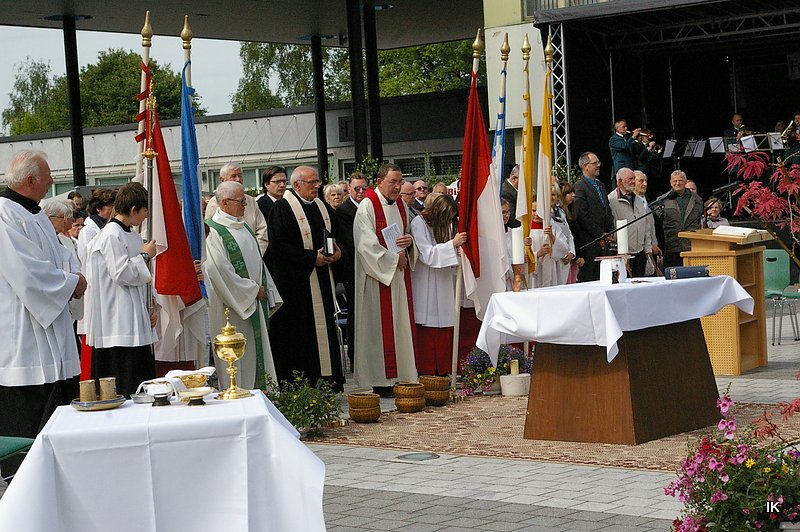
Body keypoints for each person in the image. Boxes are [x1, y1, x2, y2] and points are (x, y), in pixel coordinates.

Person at [0, 151, 86, 478]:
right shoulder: (5, 215)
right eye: (48, 176)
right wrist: (71, 283)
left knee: (53, 410)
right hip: (22, 336)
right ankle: (21, 482)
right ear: (31, 180)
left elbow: (58, 263)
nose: (52, 181)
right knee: (26, 419)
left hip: (50, 330)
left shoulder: (35, 215)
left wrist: (71, 279)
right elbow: (28, 274)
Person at [267, 166, 345, 392]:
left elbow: (336, 236)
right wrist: (311, 258)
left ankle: (328, 379)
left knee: (325, 329)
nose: (317, 186)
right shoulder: (282, 208)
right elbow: (278, 247)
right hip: (297, 287)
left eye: (317, 182)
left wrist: (338, 253)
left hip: (323, 280)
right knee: (301, 336)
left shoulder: (322, 206)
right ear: (298, 185)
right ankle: (302, 383)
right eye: (311, 182)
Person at [84, 183, 157, 397]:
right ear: (134, 209)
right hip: (116, 321)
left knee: (141, 379)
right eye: (144, 212)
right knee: (124, 382)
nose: (145, 218)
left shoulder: (132, 236)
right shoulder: (110, 235)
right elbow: (122, 274)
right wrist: (145, 256)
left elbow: (141, 277)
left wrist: (150, 306)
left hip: (134, 315)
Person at [205, 181, 278, 390]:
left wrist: (267, 290)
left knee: (256, 355)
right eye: (241, 201)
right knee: (238, 361)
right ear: (225, 203)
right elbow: (219, 270)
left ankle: (260, 394)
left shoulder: (244, 226)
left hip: (253, 303)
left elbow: (258, 262)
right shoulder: (214, 231)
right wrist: (253, 290)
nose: (245, 205)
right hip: (233, 309)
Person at [354, 163, 417, 397]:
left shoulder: (400, 204)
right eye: (393, 182)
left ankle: (401, 375)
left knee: (399, 324)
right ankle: (381, 379)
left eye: (400, 182)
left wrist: (409, 243)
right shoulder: (367, 206)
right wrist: (392, 261)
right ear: (379, 182)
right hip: (376, 278)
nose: (398, 187)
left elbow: (407, 235)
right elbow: (365, 245)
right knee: (377, 330)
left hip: (397, 277)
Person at [408, 194, 467, 376]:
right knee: (429, 325)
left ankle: (442, 368)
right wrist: (452, 244)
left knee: (445, 324)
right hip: (425, 280)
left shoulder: (442, 224)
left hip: (442, 279)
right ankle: (427, 370)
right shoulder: (419, 223)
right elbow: (428, 254)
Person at [334, 172, 368, 370]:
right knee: (356, 314)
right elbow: (349, 241)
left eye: (364, 188)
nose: (361, 192)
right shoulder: (344, 211)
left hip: (369, 266)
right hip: (353, 268)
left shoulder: (369, 206)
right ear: (349, 189)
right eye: (357, 189)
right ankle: (355, 358)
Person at [205, 163, 269, 255]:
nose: (238, 179)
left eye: (240, 175)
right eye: (233, 176)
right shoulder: (214, 203)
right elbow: (211, 234)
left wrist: (256, 252)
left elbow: (262, 230)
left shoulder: (250, 201)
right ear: (222, 180)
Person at [573, 151, 614, 282]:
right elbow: (582, 215)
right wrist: (599, 233)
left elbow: (607, 209)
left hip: (604, 240)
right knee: (591, 277)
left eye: (598, 162)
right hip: (589, 242)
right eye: (594, 163)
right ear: (585, 166)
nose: (598, 165)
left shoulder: (600, 185)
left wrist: (610, 230)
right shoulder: (579, 186)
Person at [608, 168, 652, 277]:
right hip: (623, 253)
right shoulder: (611, 200)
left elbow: (646, 225)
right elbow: (610, 225)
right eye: (630, 179)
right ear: (620, 182)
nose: (633, 181)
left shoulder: (638, 199)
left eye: (634, 178)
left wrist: (648, 249)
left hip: (640, 252)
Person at [658, 170, 704, 268]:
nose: (677, 183)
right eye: (675, 181)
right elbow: (658, 222)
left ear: (685, 182)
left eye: (680, 180)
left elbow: (699, 221)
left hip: (691, 246)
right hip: (671, 245)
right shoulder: (663, 200)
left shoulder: (697, 199)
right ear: (671, 183)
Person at [634, 171, 662, 275]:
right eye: (641, 181)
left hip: (650, 248)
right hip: (639, 249)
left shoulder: (647, 199)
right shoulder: (633, 202)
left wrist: (654, 244)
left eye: (646, 181)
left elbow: (651, 225)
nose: (645, 184)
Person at [550, 185, 577, 285]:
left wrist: (571, 252)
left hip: (566, 258)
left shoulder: (561, 212)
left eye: (554, 195)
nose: (552, 197)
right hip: (555, 257)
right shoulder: (544, 214)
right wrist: (562, 253)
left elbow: (568, 234)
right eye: (550, 195)